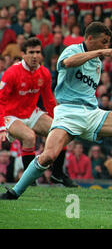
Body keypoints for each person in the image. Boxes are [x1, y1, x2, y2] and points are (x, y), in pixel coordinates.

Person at [1, 22, 112, 200]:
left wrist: (99, 54)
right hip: (68, 113)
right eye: (103, 42)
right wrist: (100, 52)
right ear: (90, 38)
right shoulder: (72, 50)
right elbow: (68, 63)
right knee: (48, 156)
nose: (106, 46)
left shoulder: (97, 63)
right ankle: (15, 192)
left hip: (92, 113)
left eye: (108, 43)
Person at [0, 37, 76, 187]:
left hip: (32, 113)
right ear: (23, 54)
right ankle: (30, 181)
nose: (35, 56)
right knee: (29, 137)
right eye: (31, 52)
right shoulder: (11, 73)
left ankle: (57, 174)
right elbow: (0, 100)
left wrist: (58, 120)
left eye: (38, 52)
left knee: (61, 131)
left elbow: (49, 100)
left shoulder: (44, 73)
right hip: (11, 115)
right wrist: (2, 126)